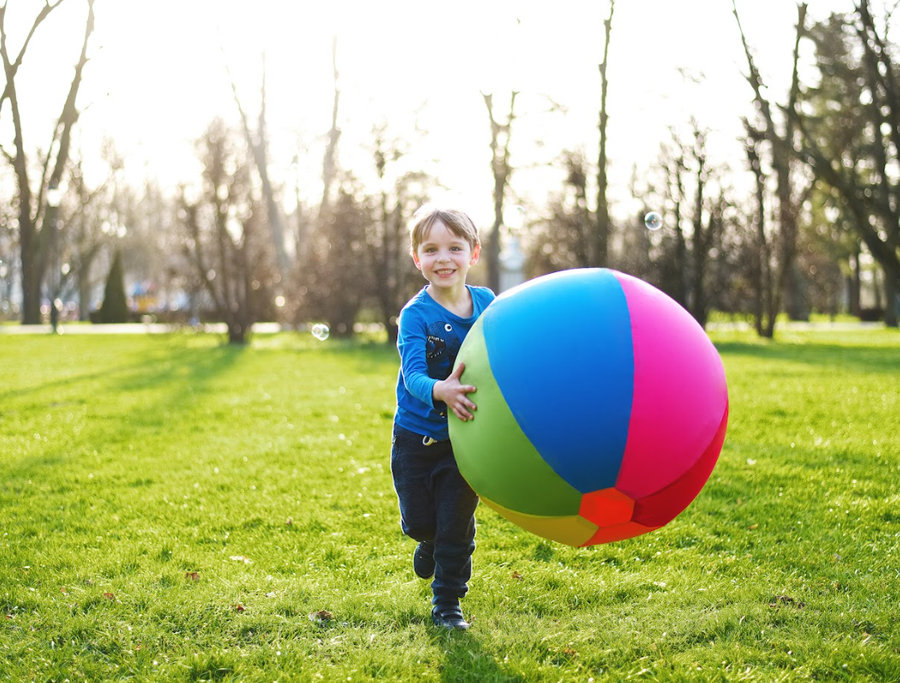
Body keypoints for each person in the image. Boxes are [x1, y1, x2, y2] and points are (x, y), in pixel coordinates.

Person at [391, 204, 495, 631]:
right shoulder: (415, 315)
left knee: (457, 525)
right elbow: (413, 374)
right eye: (431, 250)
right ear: (417, 259)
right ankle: (426, 540)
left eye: (455, 247)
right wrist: (441, 389)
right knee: (421, 522)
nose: (444, 258)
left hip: (466, 438)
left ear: (473, 253)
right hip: (417, 437)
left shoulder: (488, 304)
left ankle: (448, 603)